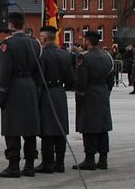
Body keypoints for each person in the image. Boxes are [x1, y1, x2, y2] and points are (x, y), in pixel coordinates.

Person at [0, 12, 42, 178]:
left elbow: (5, 71)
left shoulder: (9, 44)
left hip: (14, 87)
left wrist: (1, 92)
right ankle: (30, 165)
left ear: (11, 25)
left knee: (12, 127)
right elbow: (38, 71)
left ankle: (13, 165)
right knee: (30, 128)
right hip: (30, 86)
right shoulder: (35, 44)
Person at [35, 26, 74, 174]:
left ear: (44, 38)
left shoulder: (42, 55)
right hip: (60, 92)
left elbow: (38, 77)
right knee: (60, 129)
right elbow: (71, 79)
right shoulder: (65, 54)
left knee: (47, 129)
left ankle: (47, 162)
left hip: (46, 93)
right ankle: (60, 163)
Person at [73, 30, 114, 170]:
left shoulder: (84, 58)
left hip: (89, 93)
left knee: (89, 127)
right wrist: (106, 92)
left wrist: (79, 97)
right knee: (103, 127)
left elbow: (81, 81)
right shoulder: (107, 57)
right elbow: (111, 80)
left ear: (87, 41)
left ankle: (89, 158)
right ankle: (103, 159)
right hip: (102, 93)